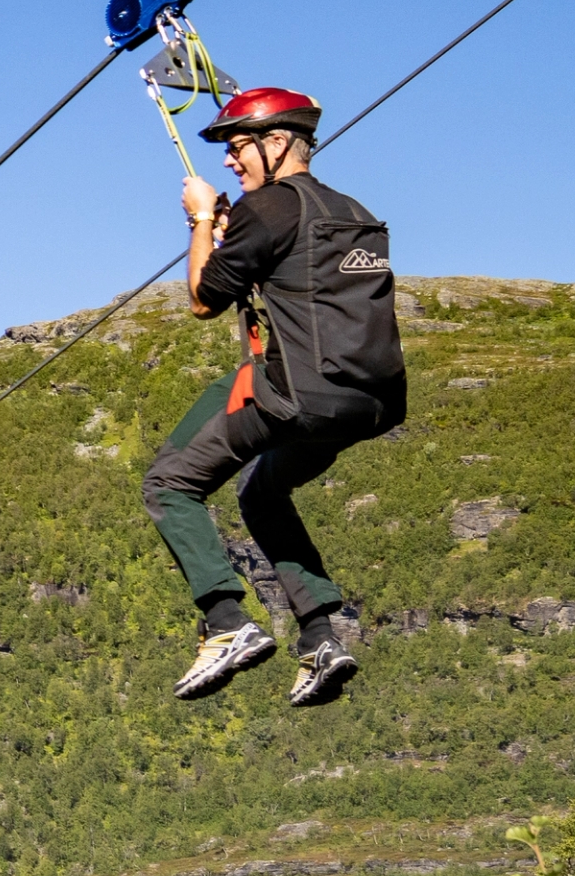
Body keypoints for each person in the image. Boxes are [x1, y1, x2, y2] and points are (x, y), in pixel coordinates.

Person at [147, 86, 405, 708]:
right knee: (261, 492)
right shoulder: (351, 211)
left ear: (279, 142)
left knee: (169, 484)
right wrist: (243, 233)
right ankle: (320, 635)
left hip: (295, 394)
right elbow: (296, 274)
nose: (231, 163)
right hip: (367, 404)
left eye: (239, 149)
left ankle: (226, 622)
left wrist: (202, 219)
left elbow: (205, 299)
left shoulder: (269, 209)